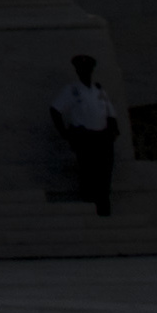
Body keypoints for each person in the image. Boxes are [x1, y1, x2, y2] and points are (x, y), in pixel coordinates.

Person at [51, 56, 120, 213]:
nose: (84, 72)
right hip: (85, 139)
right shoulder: (72, 90)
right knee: (89, 174)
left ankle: (104, 208)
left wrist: (113, 131)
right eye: (81, 69)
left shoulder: (99, 90)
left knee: (104, 175)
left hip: (102, 139)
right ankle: (91, 207)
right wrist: (64, 133)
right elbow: (55, 109)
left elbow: (111, 114)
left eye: (87, 69)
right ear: (77, 71)